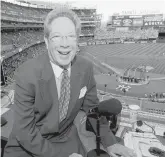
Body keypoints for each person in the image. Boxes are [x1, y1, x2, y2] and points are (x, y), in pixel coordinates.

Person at [4, 6, 136, 157]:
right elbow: (25, 132)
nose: (65, 44)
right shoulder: (27, 74)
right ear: (46, 42)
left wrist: (110, 142)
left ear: (77, 40)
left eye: (70, 36)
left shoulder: (85, 68)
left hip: (65, 139)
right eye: (57, 36)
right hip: (28, 145)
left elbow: (93, 110)